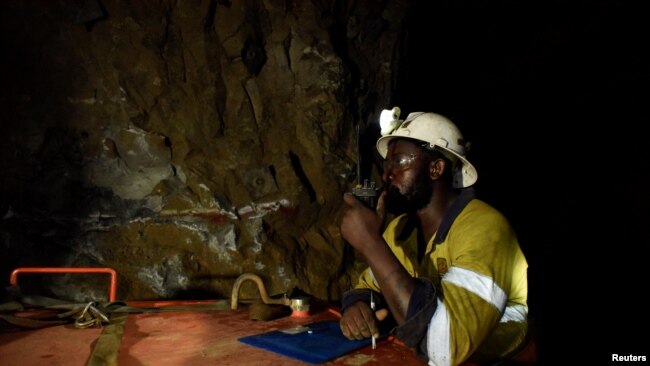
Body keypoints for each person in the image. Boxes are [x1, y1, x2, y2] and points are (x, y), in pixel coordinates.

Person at [339, 110, 530, 365]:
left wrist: (370, 243)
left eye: (400, 161)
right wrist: (358, 306)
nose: (387, 175)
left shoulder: (486, 230)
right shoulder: (400, 229)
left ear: (436, 168)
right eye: (387, 164)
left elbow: (444, 347)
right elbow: (369, 285)